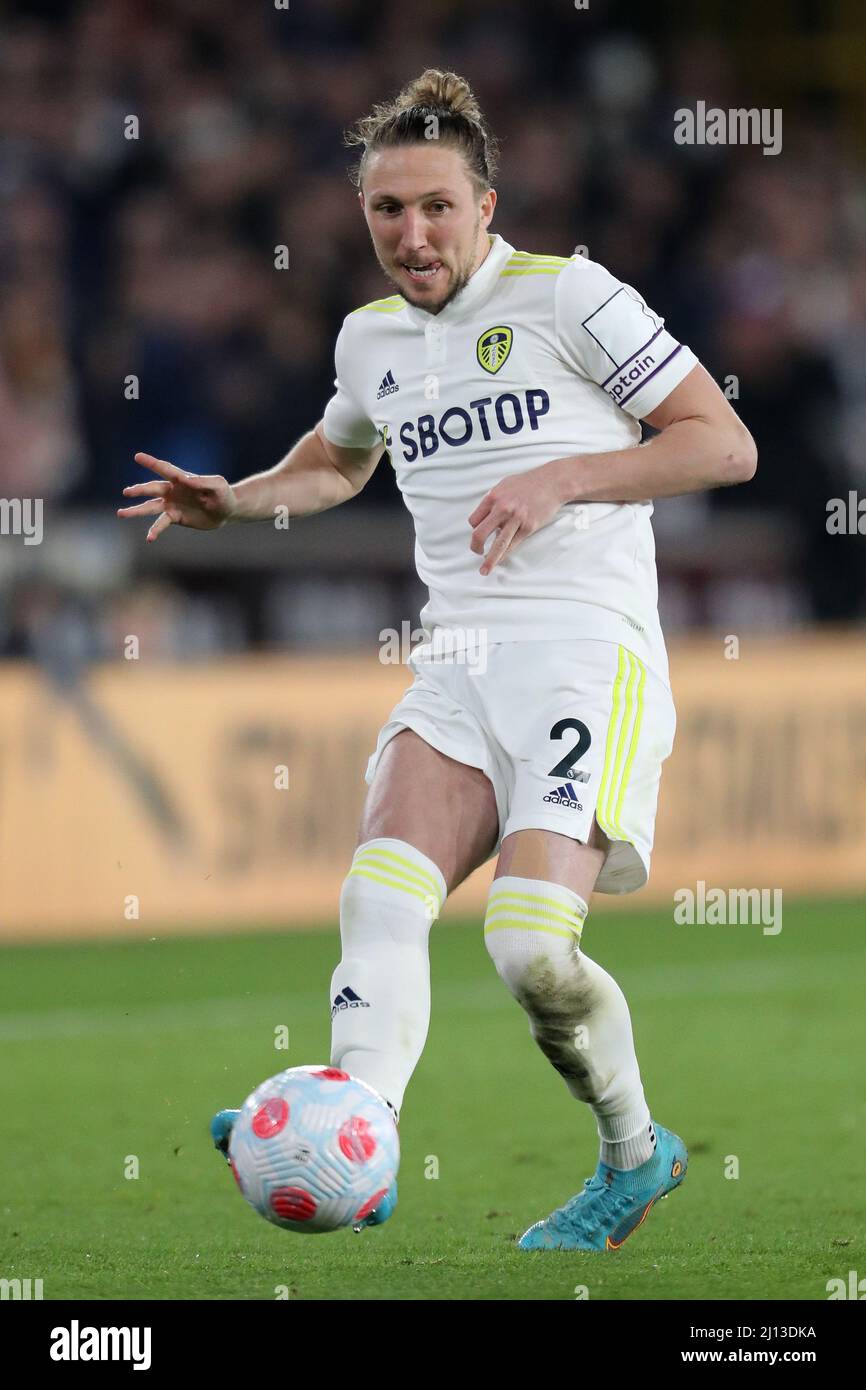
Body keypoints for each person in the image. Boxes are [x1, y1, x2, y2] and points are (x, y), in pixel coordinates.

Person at [117, 69, 756, 1251]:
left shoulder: (570, 298)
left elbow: (723, 443)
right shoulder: (372, 340)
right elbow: (337, 458)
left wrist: (562, 473)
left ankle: (633, 1151)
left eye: (434, 208)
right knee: (377, 897)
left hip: (583, 656)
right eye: (385, 212)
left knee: (526, 950)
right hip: (456, 660)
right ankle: (352, 1128)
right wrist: (240, 499)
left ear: (485, 204)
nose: (410, 235)